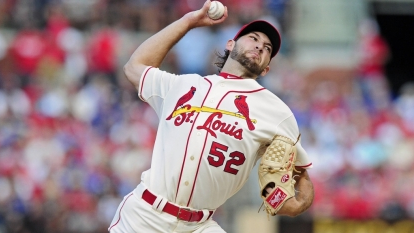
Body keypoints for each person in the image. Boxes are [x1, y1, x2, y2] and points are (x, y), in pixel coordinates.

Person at [108, 1, 314, 232]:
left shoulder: (277, 112)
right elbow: (134, 67)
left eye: (267, 48)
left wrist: (297, 205)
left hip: (200, 225)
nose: (260, 47)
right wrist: (188, 23)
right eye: (253, 38)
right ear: (230, 43)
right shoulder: (184, 84)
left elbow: (302, 173)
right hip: (144, 216)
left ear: (266, 68)